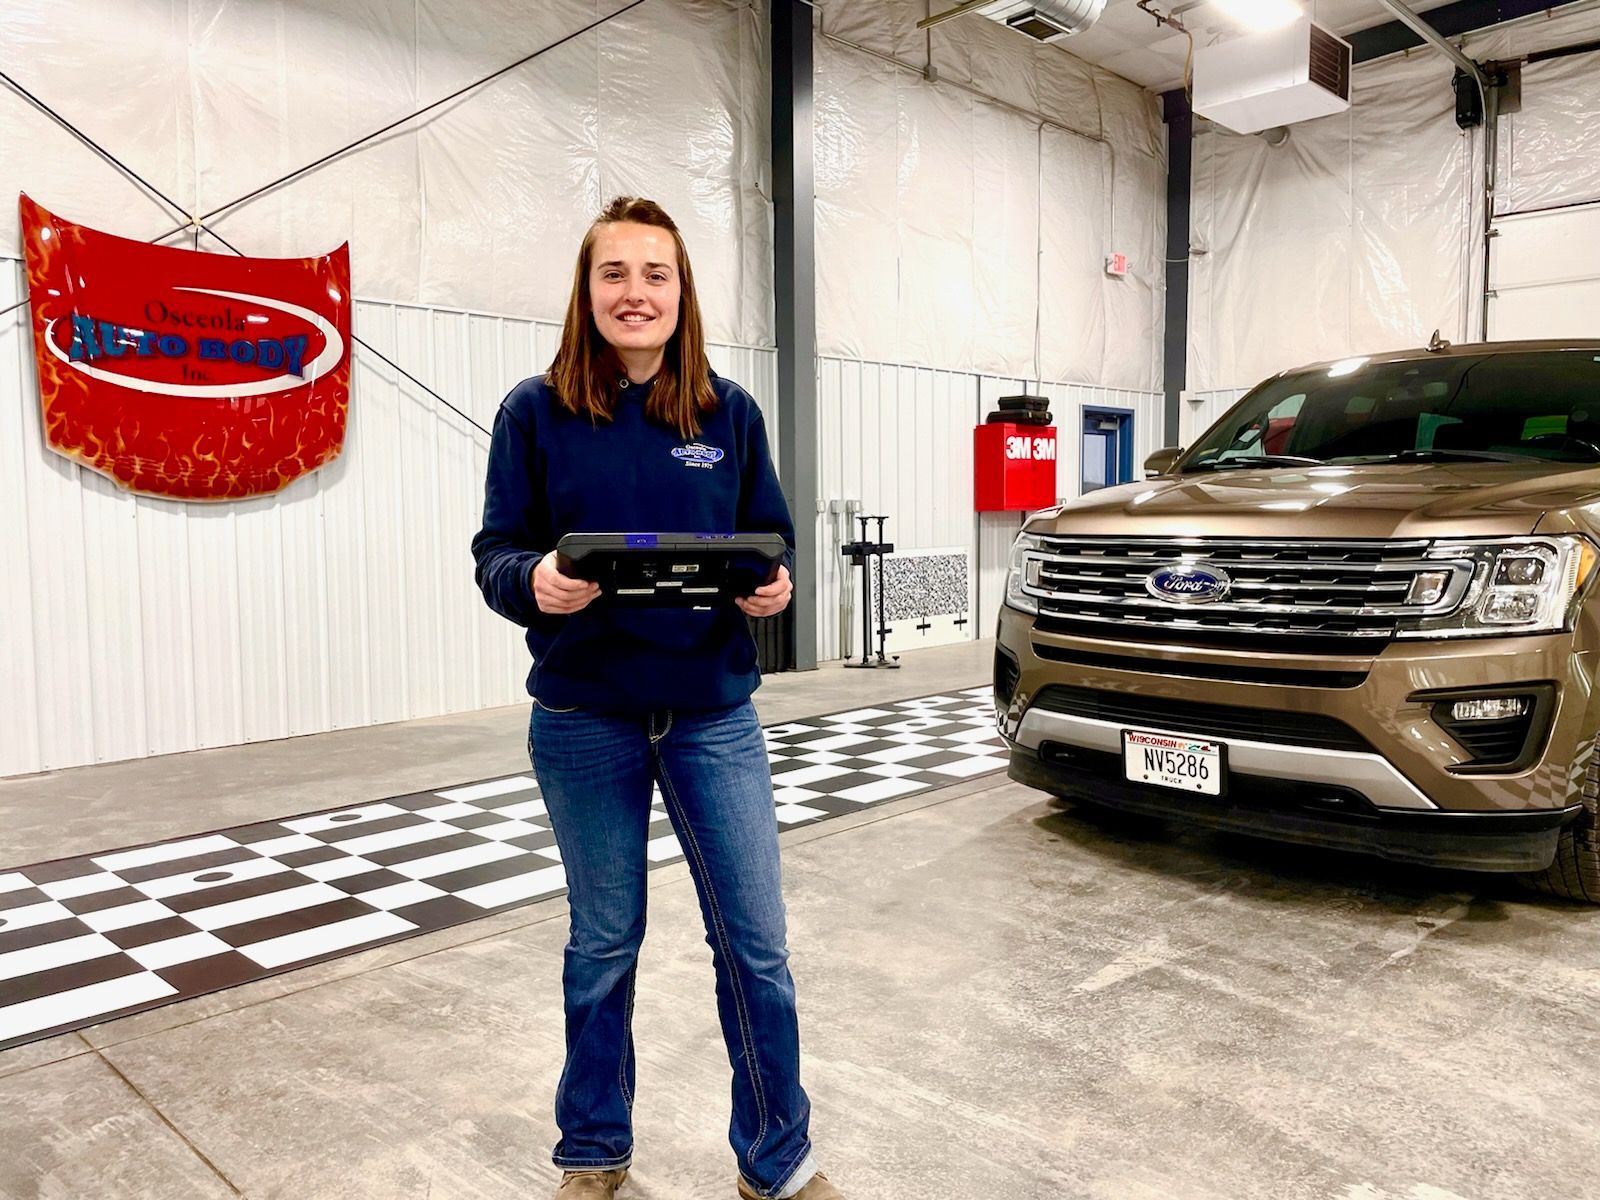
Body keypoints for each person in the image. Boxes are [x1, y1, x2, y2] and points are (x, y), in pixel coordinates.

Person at [471, 197, 844, 1200]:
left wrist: (776, 585)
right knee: (603, 944)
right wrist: (533, 582)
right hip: (583, 718)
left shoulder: (728, 414)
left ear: (682, 295)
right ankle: (593, 1151)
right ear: (585, 292)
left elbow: (769, 541)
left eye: (655, 274)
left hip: (710, 717)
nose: (635, 292)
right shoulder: (533, 411)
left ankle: (776, 1158)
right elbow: (495, 553)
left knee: (754, 947)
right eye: (614, 273)